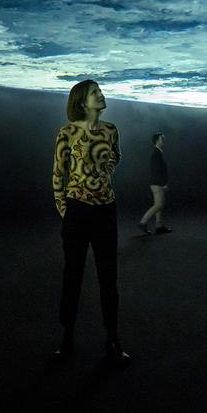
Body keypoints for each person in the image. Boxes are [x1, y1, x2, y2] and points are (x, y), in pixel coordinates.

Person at [52, 80, 130, 366]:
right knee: (72, 275)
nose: (101, 95)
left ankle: (112, 338)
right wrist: (64, 208)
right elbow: (58, 173)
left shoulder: (111, 130)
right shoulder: (67, 132)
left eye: (100, 91)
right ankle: (67, 336)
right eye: (94, 93)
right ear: (82, 102)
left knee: (109, 278)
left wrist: (106, 172)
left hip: (106, 210)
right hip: (77, 211)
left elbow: (117, 155)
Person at [138, 132, 172, 235]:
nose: (164, 140)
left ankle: (159, 226)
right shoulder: (156, 154)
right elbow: (156, 170)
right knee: (159, 204)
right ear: (157, 140)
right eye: (162, 138)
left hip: (157, 182)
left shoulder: (157, 153)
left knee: (160, 204)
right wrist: (163, 183)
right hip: (157, 183)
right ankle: (143, 222)